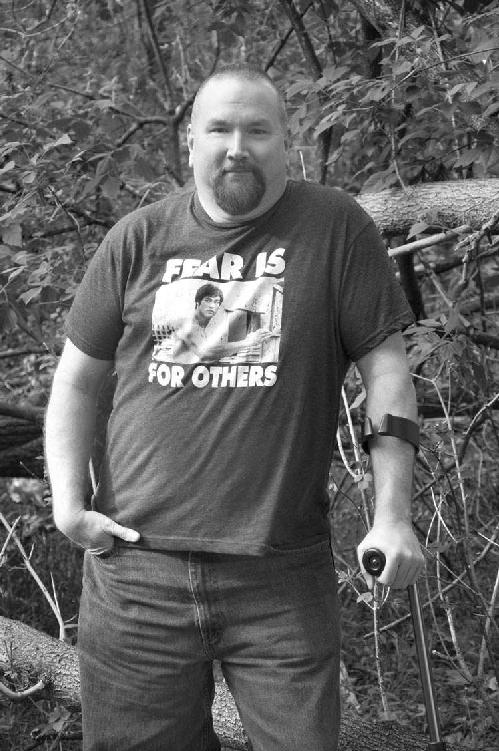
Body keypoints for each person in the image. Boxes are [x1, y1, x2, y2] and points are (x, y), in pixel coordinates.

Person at [45, 64, 425, 751]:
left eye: (257, 129)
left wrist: (391, 516)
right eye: (218, 128)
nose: (236, 146)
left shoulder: (335, 228)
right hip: (136, 570)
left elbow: (389, 374)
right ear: (189, 141)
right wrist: (67, 503)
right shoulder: (136, 239)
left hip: (277, 572)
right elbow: (76, 382)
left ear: (287, 141)